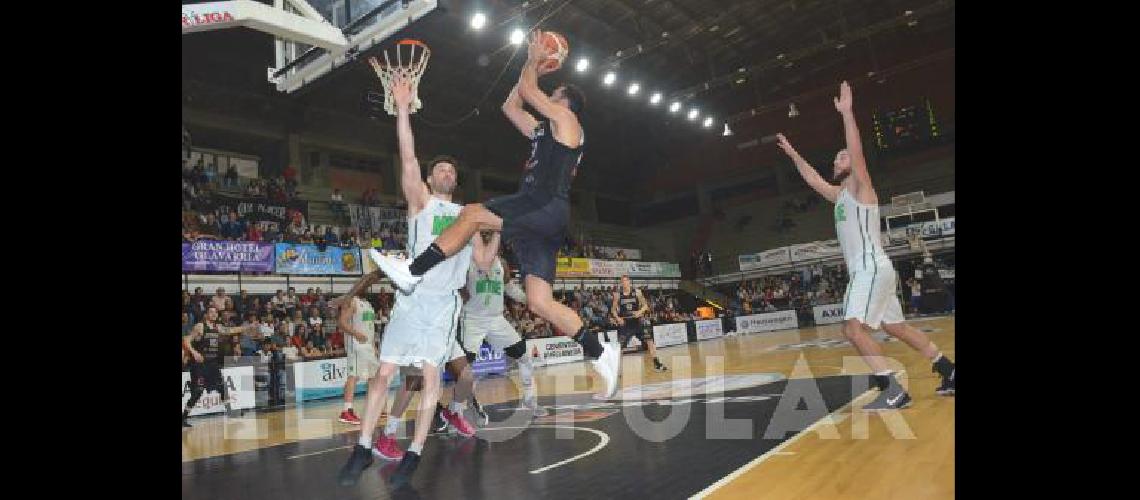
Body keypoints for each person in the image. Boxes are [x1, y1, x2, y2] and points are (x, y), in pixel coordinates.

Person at [366, 31, 620, 401]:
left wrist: (535, 60)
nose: (548, 99)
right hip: (542, 220)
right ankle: (601, 353)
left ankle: (413, 269)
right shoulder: (541, 132)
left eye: (554, 96)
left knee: (471, 213)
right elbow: (511, 106)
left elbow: (532, 94)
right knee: (539, 302)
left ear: (566, 104)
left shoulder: (567, 122)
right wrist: (529, 67)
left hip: (542, 203)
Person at [338, 72, 490, 487]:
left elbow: (483, 261)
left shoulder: (468, 216)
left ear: (454, 180)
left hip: (442, 305)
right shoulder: (420, 202)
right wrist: (403, 109)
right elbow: (407, 157)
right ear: (428, 178)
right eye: (437, 168)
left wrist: (497, 235)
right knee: (383, 374)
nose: (443, 172)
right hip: (411, 296)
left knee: (428, 379)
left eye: (448, 171)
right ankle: (363, 446)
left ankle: (415, 452)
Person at [775, 81, 955, 411]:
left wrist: (847, 114)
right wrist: (793, 153)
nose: (837, 158)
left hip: (870, 268)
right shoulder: (840, 196)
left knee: (852, 328)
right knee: (896, 328)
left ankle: (892, 388)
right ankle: (949, 370)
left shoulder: (861, 187)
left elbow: (856, 152)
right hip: (874, 269)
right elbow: (814, 179)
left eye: (840, 156)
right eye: (835, 157)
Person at [612, 275, 667, 372]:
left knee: (650, 341)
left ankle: (657, 364)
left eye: (626, 281)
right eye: (623, 281)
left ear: (629, 282)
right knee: (619, 348)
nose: (625, 283)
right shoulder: (617, 295)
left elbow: (645, 305)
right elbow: (613, 310)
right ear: (621, 283)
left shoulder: (637, 292)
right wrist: (617, 318)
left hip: (637, 323)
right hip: (625, 324)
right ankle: (616, 370)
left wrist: (639, 312)